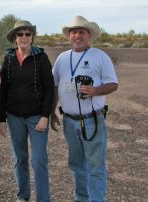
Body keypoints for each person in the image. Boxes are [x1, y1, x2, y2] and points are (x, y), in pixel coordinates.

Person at [51, 16, 118, 202]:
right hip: (69, 121)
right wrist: (50, 112)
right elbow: (55, 86)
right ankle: (81, 197)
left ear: (88, 35)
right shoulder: (62, 58)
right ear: (69, 36)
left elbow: (113, 84)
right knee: (76, 164)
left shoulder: (100, 56)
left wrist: (96, 90)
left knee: (95, 166)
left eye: (81, 32)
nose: (77, 35)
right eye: (74, 32)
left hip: (92, 120)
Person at [0, 20, 54, 202]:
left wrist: (45, 116)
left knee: (39, 160)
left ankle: (43, 199)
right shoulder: (9, 58)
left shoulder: (41, 58)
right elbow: (3, 89)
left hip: (37, 117)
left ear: (32, 37)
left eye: (27, 34)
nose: (23, 37)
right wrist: (1, 118)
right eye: (19, 34)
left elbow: (49, 89)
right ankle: (23, 196)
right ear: (15, 39)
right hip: (14, 117)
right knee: (20, 158)